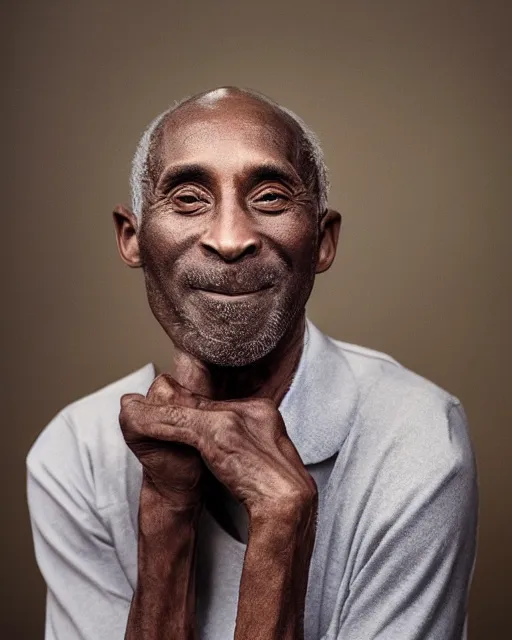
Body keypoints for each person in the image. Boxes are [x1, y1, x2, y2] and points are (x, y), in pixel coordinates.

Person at [26, 86, 478, 640]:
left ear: (322, 241)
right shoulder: (76, 451)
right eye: (189, 197)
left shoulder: (419, 441)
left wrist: (281, 529)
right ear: (132, 237)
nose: (230, 238)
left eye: (269, 197)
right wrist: (167, 513)